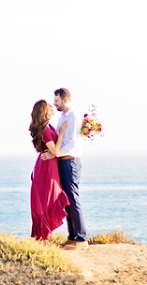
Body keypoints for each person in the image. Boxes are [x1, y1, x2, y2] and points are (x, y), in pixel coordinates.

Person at [43, 87, 88, 250]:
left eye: (57, 101)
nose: (54, 104)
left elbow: (73, 142)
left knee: (73, 198)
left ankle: (82, 238)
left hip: (70, 161)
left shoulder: (74, 116)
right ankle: (72, 236)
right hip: (62, 161)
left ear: (65, 100)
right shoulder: (62, 118)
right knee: (66, 200)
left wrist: (55, 153)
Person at [28, 99, 69, 240]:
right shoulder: (45, 130)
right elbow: (55, 150)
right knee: (48, 198)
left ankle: (44, 235)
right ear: (45, 111)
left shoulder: (46, 126)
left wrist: (52, 153)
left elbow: (53, 151)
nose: (52, 107)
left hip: (46, 163)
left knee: (47, 198)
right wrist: (62, 133)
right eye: (49, 106)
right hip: (47, 167)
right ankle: (43, 235)